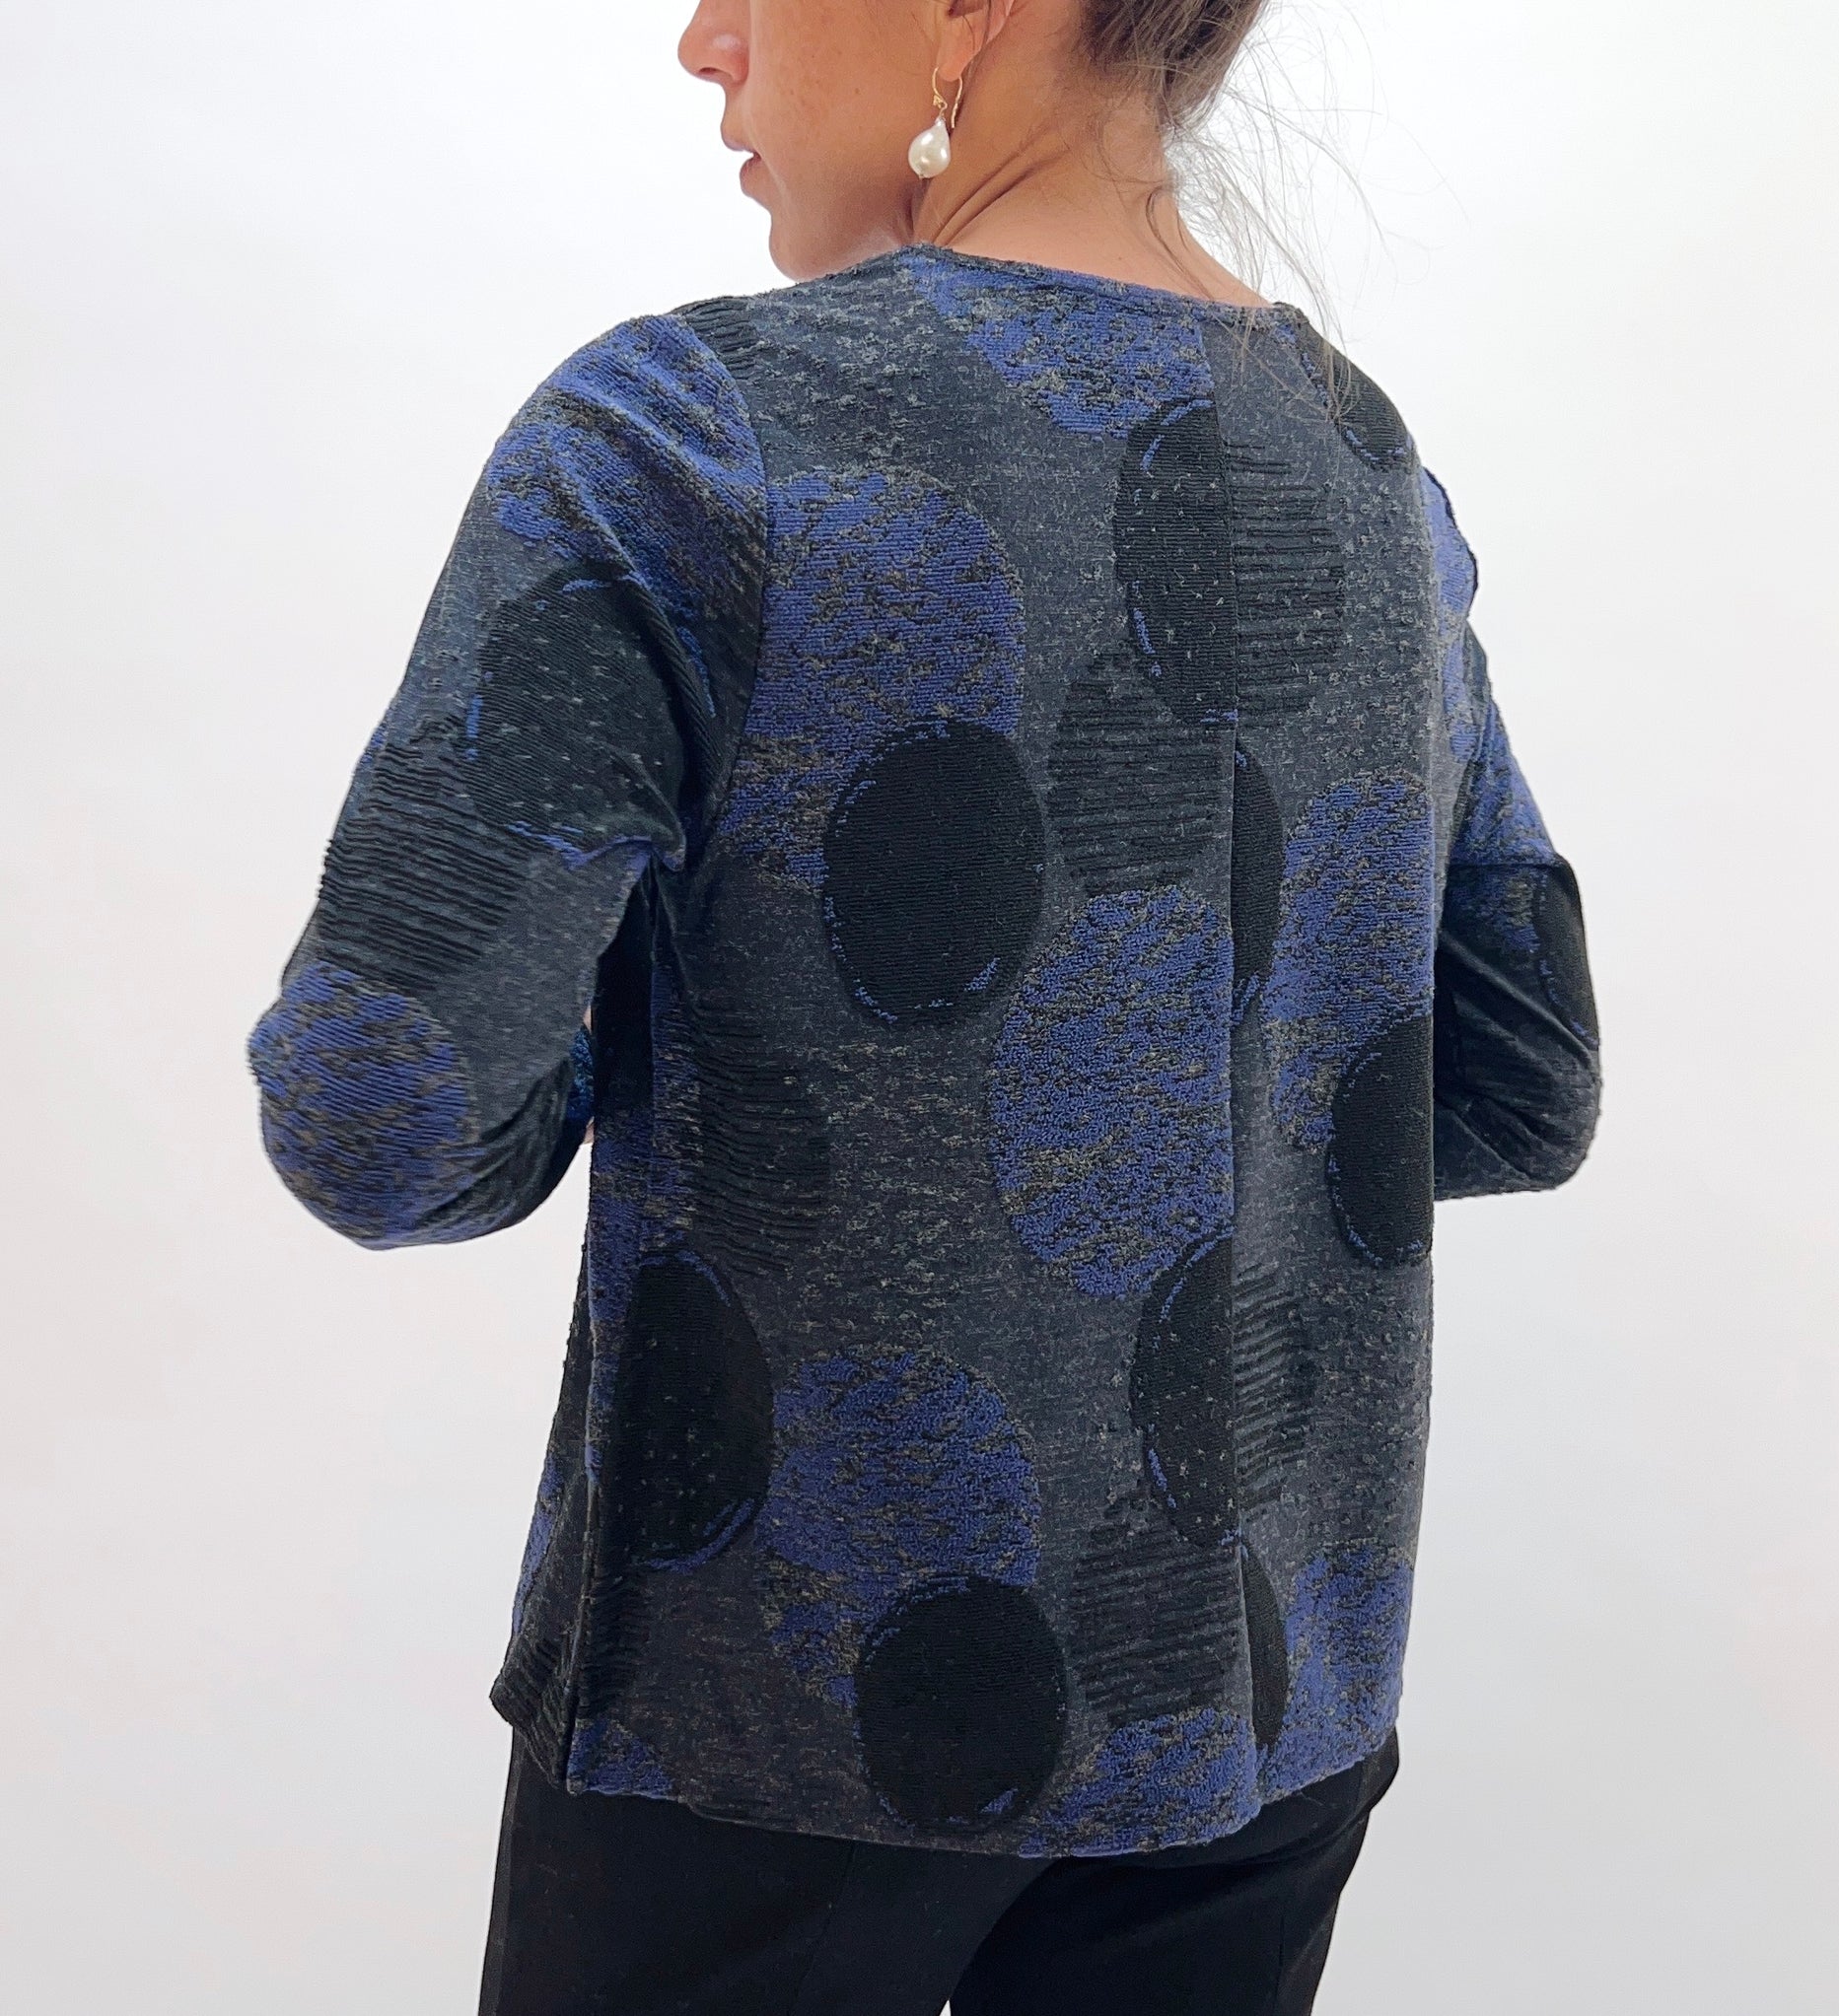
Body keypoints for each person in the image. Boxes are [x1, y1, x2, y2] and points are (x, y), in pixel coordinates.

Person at [248, 0, 1601, 2006]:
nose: (702, 39)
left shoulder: (687, 437)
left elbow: (382, 1112)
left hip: (770, 1706)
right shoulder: (1371, 474)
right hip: (1265, 1704)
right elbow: (1516, 1083)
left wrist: (708, 1050)